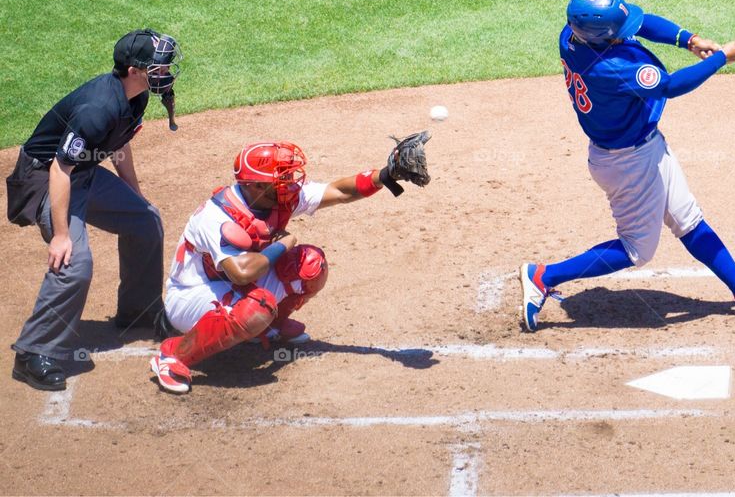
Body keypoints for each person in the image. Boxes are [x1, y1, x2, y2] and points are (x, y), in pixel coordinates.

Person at [519, 0, 735, 332]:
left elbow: (641, 23)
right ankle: (544, 276)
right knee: (637, 250)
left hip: (642, 148)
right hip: (626, 164)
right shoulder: (614, 70)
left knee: (688, 220)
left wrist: (689, 40)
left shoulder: (572, 33)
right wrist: (719, 58)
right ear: (605, 37)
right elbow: (671, 86)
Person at [150, 133, 430, 394]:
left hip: (233, 287)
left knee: (311, 265)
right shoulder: (218, 216)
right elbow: (241, 274)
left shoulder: (275, 197)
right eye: (281, 178)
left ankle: (268, 327)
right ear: (256, 185)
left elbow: (339, 191)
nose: (290, 182)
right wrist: (283, 244)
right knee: (255, 307)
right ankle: (173, 353)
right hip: (192, 295)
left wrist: (386, 174)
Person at [6, 29, 182, 390]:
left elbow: (119, 145)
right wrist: (60, 235)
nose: (166, 71)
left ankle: (138, 310)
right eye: (159, 66)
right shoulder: (97, 108)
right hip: (44, 178)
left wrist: (136, 196)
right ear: (134, 70)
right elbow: (60, 168)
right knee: (74, 264)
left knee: (146, 220)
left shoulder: (136, 96)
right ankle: (32, 352)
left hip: (81, 173)